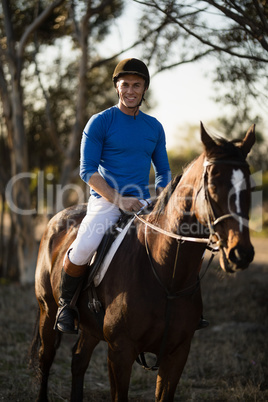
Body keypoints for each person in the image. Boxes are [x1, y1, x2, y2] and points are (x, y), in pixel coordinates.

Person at [55, 58, 171, 334]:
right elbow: (87, 171)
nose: (131, 90)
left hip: (144, 203)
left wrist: (159, 198)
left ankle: (182, 308)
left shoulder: (154, 127)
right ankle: (65, 305)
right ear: (117, 87)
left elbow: (164, 171)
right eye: (125, 85)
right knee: (84, 245)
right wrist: (118, 200)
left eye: (137, 85)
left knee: (173, 246)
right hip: (106, 201)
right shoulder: (100, 122)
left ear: (144, 89)